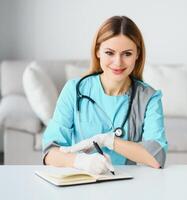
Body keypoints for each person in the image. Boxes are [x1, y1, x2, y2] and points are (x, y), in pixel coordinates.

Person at [42, 16, 168, 175]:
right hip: (82, 182)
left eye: (127, 54)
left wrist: (107, 140)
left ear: (137, 55)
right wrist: (80, 161)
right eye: (110, 52)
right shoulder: (74, 90)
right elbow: (49, 153)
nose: (118, 62)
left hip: (128, 182)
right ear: (97, 51)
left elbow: (157, 158)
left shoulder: (149, 98)